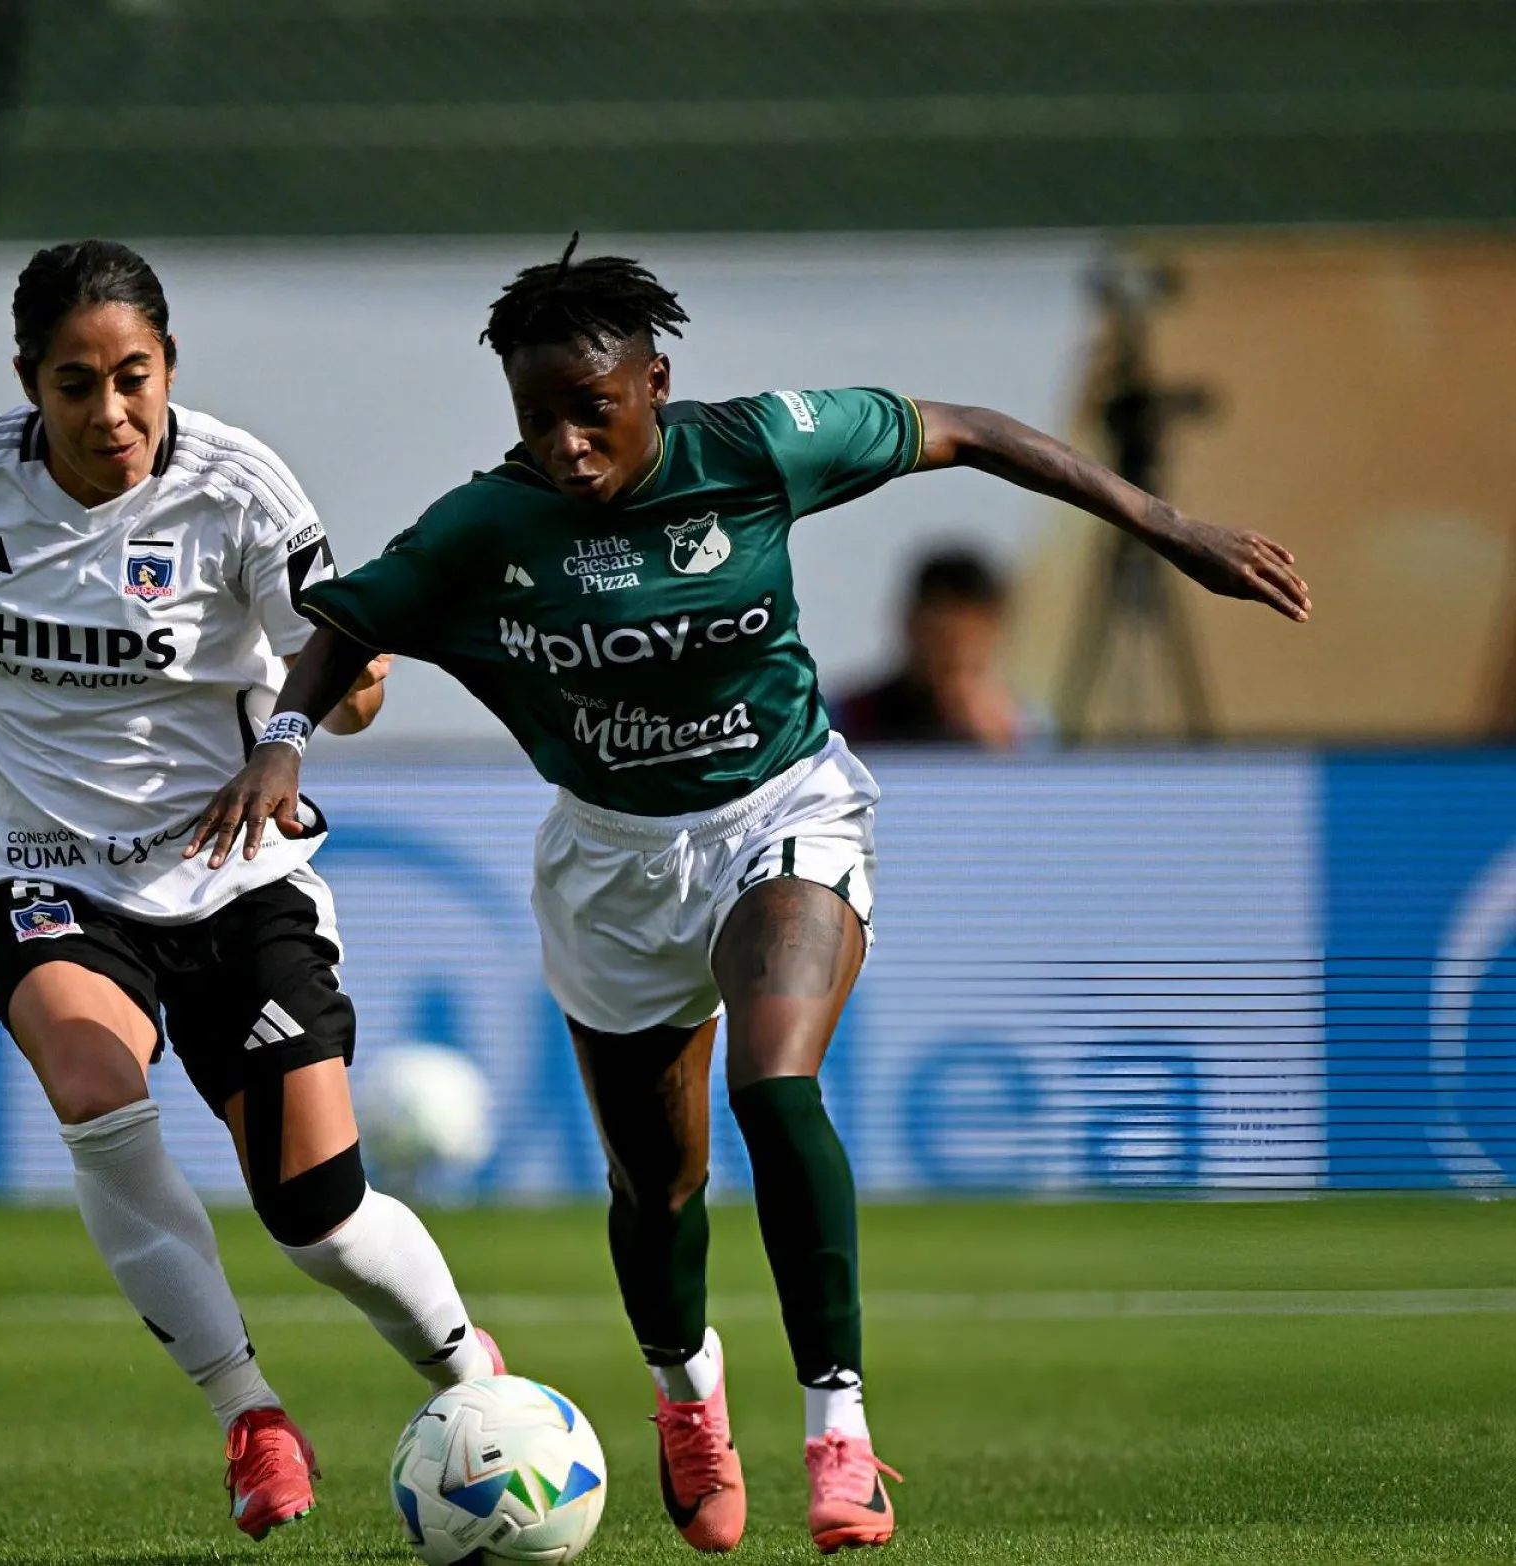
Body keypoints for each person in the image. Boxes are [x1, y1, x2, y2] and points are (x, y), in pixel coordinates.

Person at [185, 241, 1310, 1554]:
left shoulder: (762, 448)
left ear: (655, 383)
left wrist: (1173, 528)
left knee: (776, 1079)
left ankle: (838, 1429)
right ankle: (685, 1391)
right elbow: (347, 623)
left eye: (589, 411)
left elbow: (969, 430)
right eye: (533, 415)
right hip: (611, 859)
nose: (562, 443)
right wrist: (285, 740)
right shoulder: (483, 530)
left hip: (782, 810)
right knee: (657, 1187)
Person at [0, 239, 500, 1540]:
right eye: (77, 385)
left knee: (318, 1217)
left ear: (169, 368)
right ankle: (248, 1411)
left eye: (134, 378)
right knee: (92, 1081)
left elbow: (343, 666)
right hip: (39, 870)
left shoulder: (241, 490)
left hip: (234, 878)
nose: (110, 412)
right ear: (27, 383)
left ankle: (474, 1381)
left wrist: (329, 700)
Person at [835, 548, 1026, 747]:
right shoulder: (847, 719)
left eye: (970, 641)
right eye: (943, 640)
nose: (956, 656)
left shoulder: (1023, 729)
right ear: (911, 625)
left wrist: (999, 746)